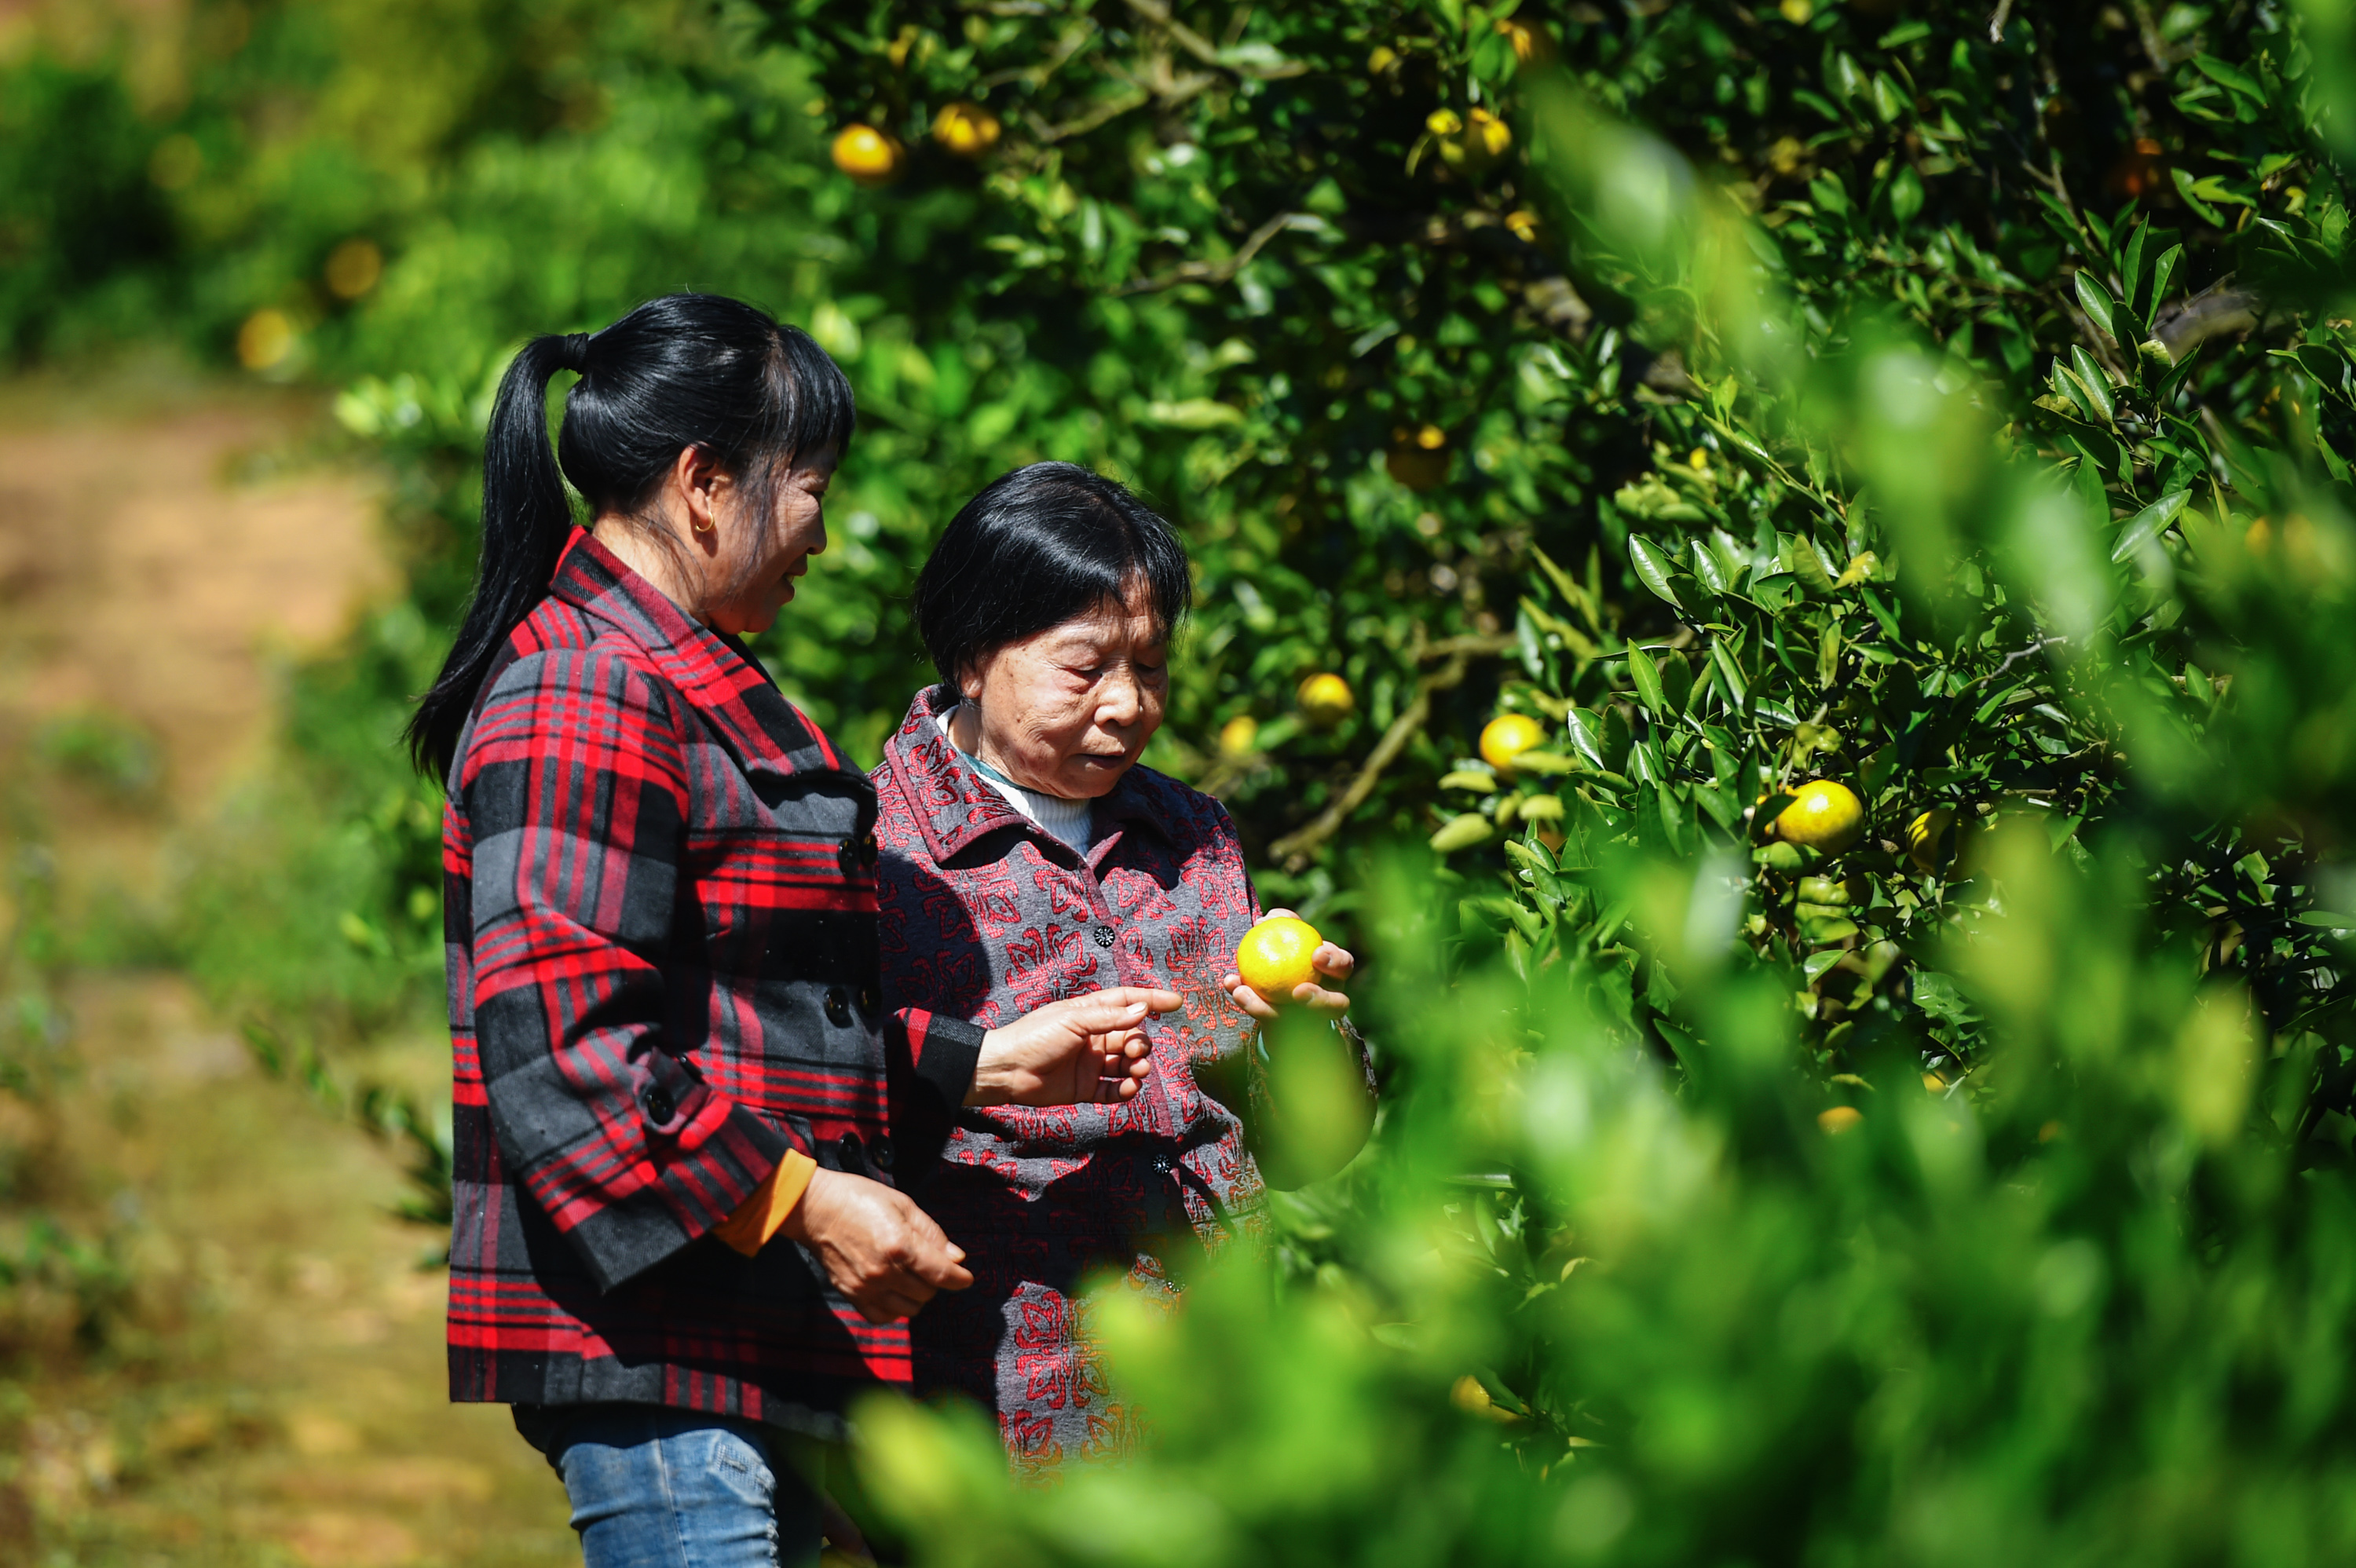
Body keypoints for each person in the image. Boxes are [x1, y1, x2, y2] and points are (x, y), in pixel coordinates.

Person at [409, 298, 1179, 1565]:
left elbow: (739, 1010)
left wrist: (970, 1064)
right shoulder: (584, 690)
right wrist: (806, 1200)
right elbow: (566, 1053)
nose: (824, 531)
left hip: (733, 1332)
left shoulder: (673, 677)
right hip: (661, 1347)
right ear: (706, 485)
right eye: (812, 487)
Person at [869, 462, 1377, 1469]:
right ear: (975, 656)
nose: (1126, 703)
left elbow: (1309, 1148)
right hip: (1005, 1410)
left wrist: (1311, 1040)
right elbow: (815, 1111)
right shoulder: (878, 855)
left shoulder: (1192, 834)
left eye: (1150, 667)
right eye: (1084, 666)